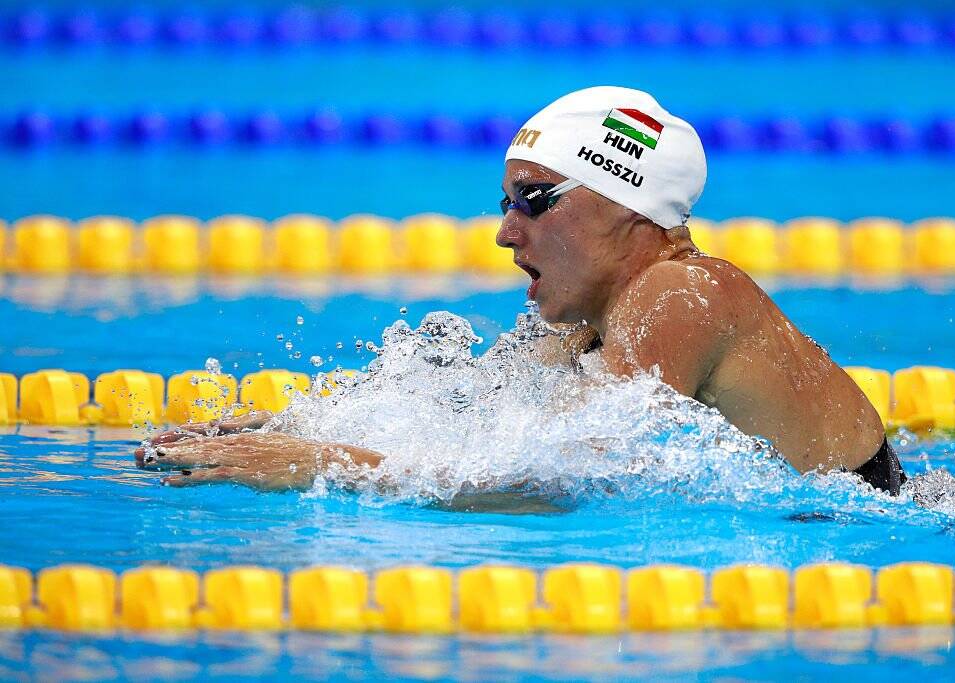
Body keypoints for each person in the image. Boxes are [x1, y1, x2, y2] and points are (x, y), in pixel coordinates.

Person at [137, 86, 905, 495]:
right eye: (505, 202)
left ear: (627, 206)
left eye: (534, 200)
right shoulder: (589, 317)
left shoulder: (676, 294)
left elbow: (563, 482)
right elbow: (473, 417)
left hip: (882, 532)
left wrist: (317, 459)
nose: (507, 232)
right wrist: (280, 426)